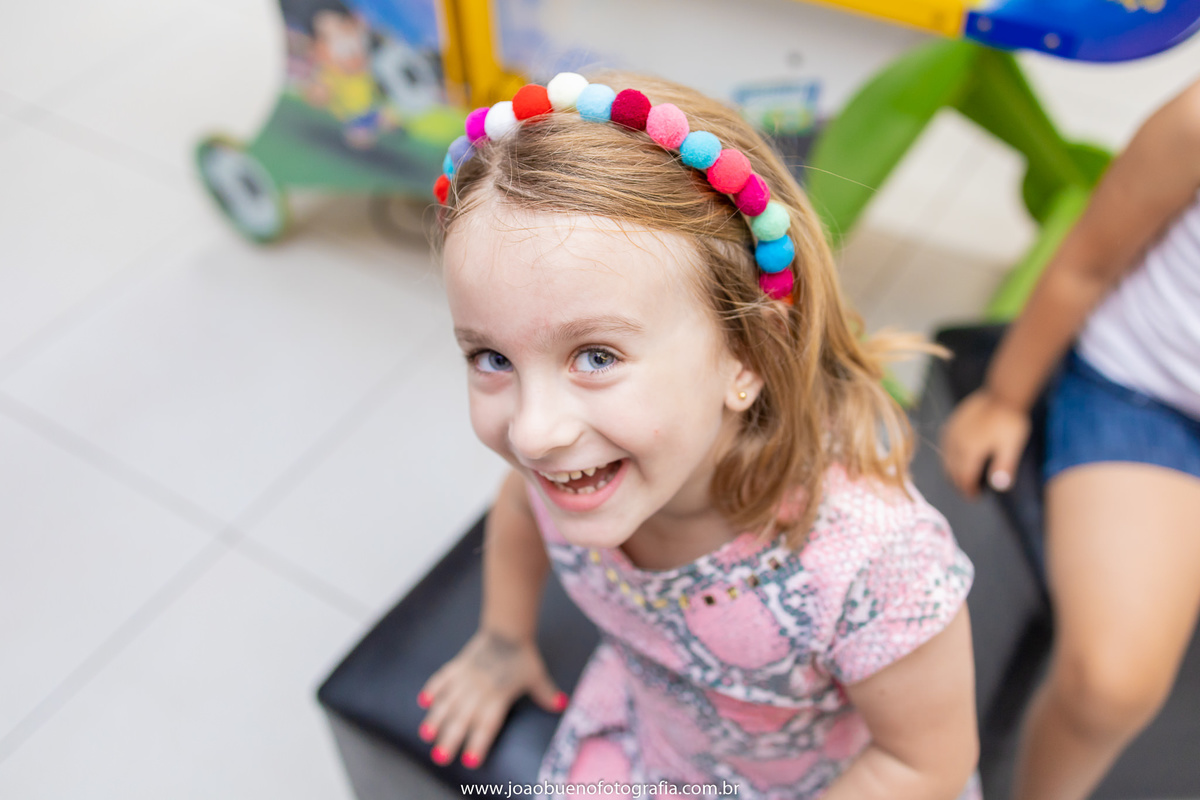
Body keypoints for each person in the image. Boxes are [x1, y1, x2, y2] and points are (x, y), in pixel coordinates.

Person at [418, 70, 980, 799]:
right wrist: (501, 640)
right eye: (491, 358)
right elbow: (520, 506)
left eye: (597, 356)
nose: (533, 432)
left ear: (745, 354)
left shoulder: (872, 562)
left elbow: (923, 763)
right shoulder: (568, 474)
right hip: (653, 744)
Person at [941, 78, 1200, 800]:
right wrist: (1005, 397)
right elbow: (1087, 261)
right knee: (1111, 684)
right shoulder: (1195, 120)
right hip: (1145, 396)